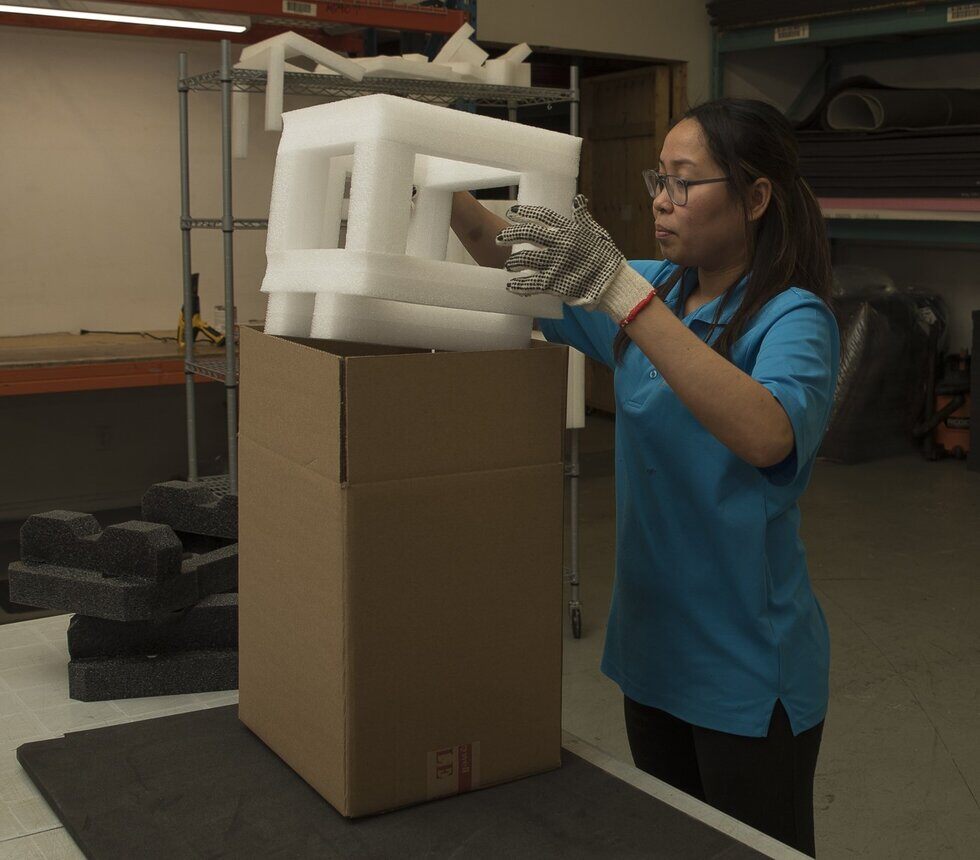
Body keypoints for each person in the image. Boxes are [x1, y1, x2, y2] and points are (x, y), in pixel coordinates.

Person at [450, 97, 840, 858]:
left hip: (745, 673)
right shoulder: (656, 286)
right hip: (653, 655)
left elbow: (766, 433)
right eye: (658, 178)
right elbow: (505, 255)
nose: (662, 199)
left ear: (756, 198)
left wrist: (627, 298)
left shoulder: (793, 318)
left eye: (685, 182)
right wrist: (430, 181)